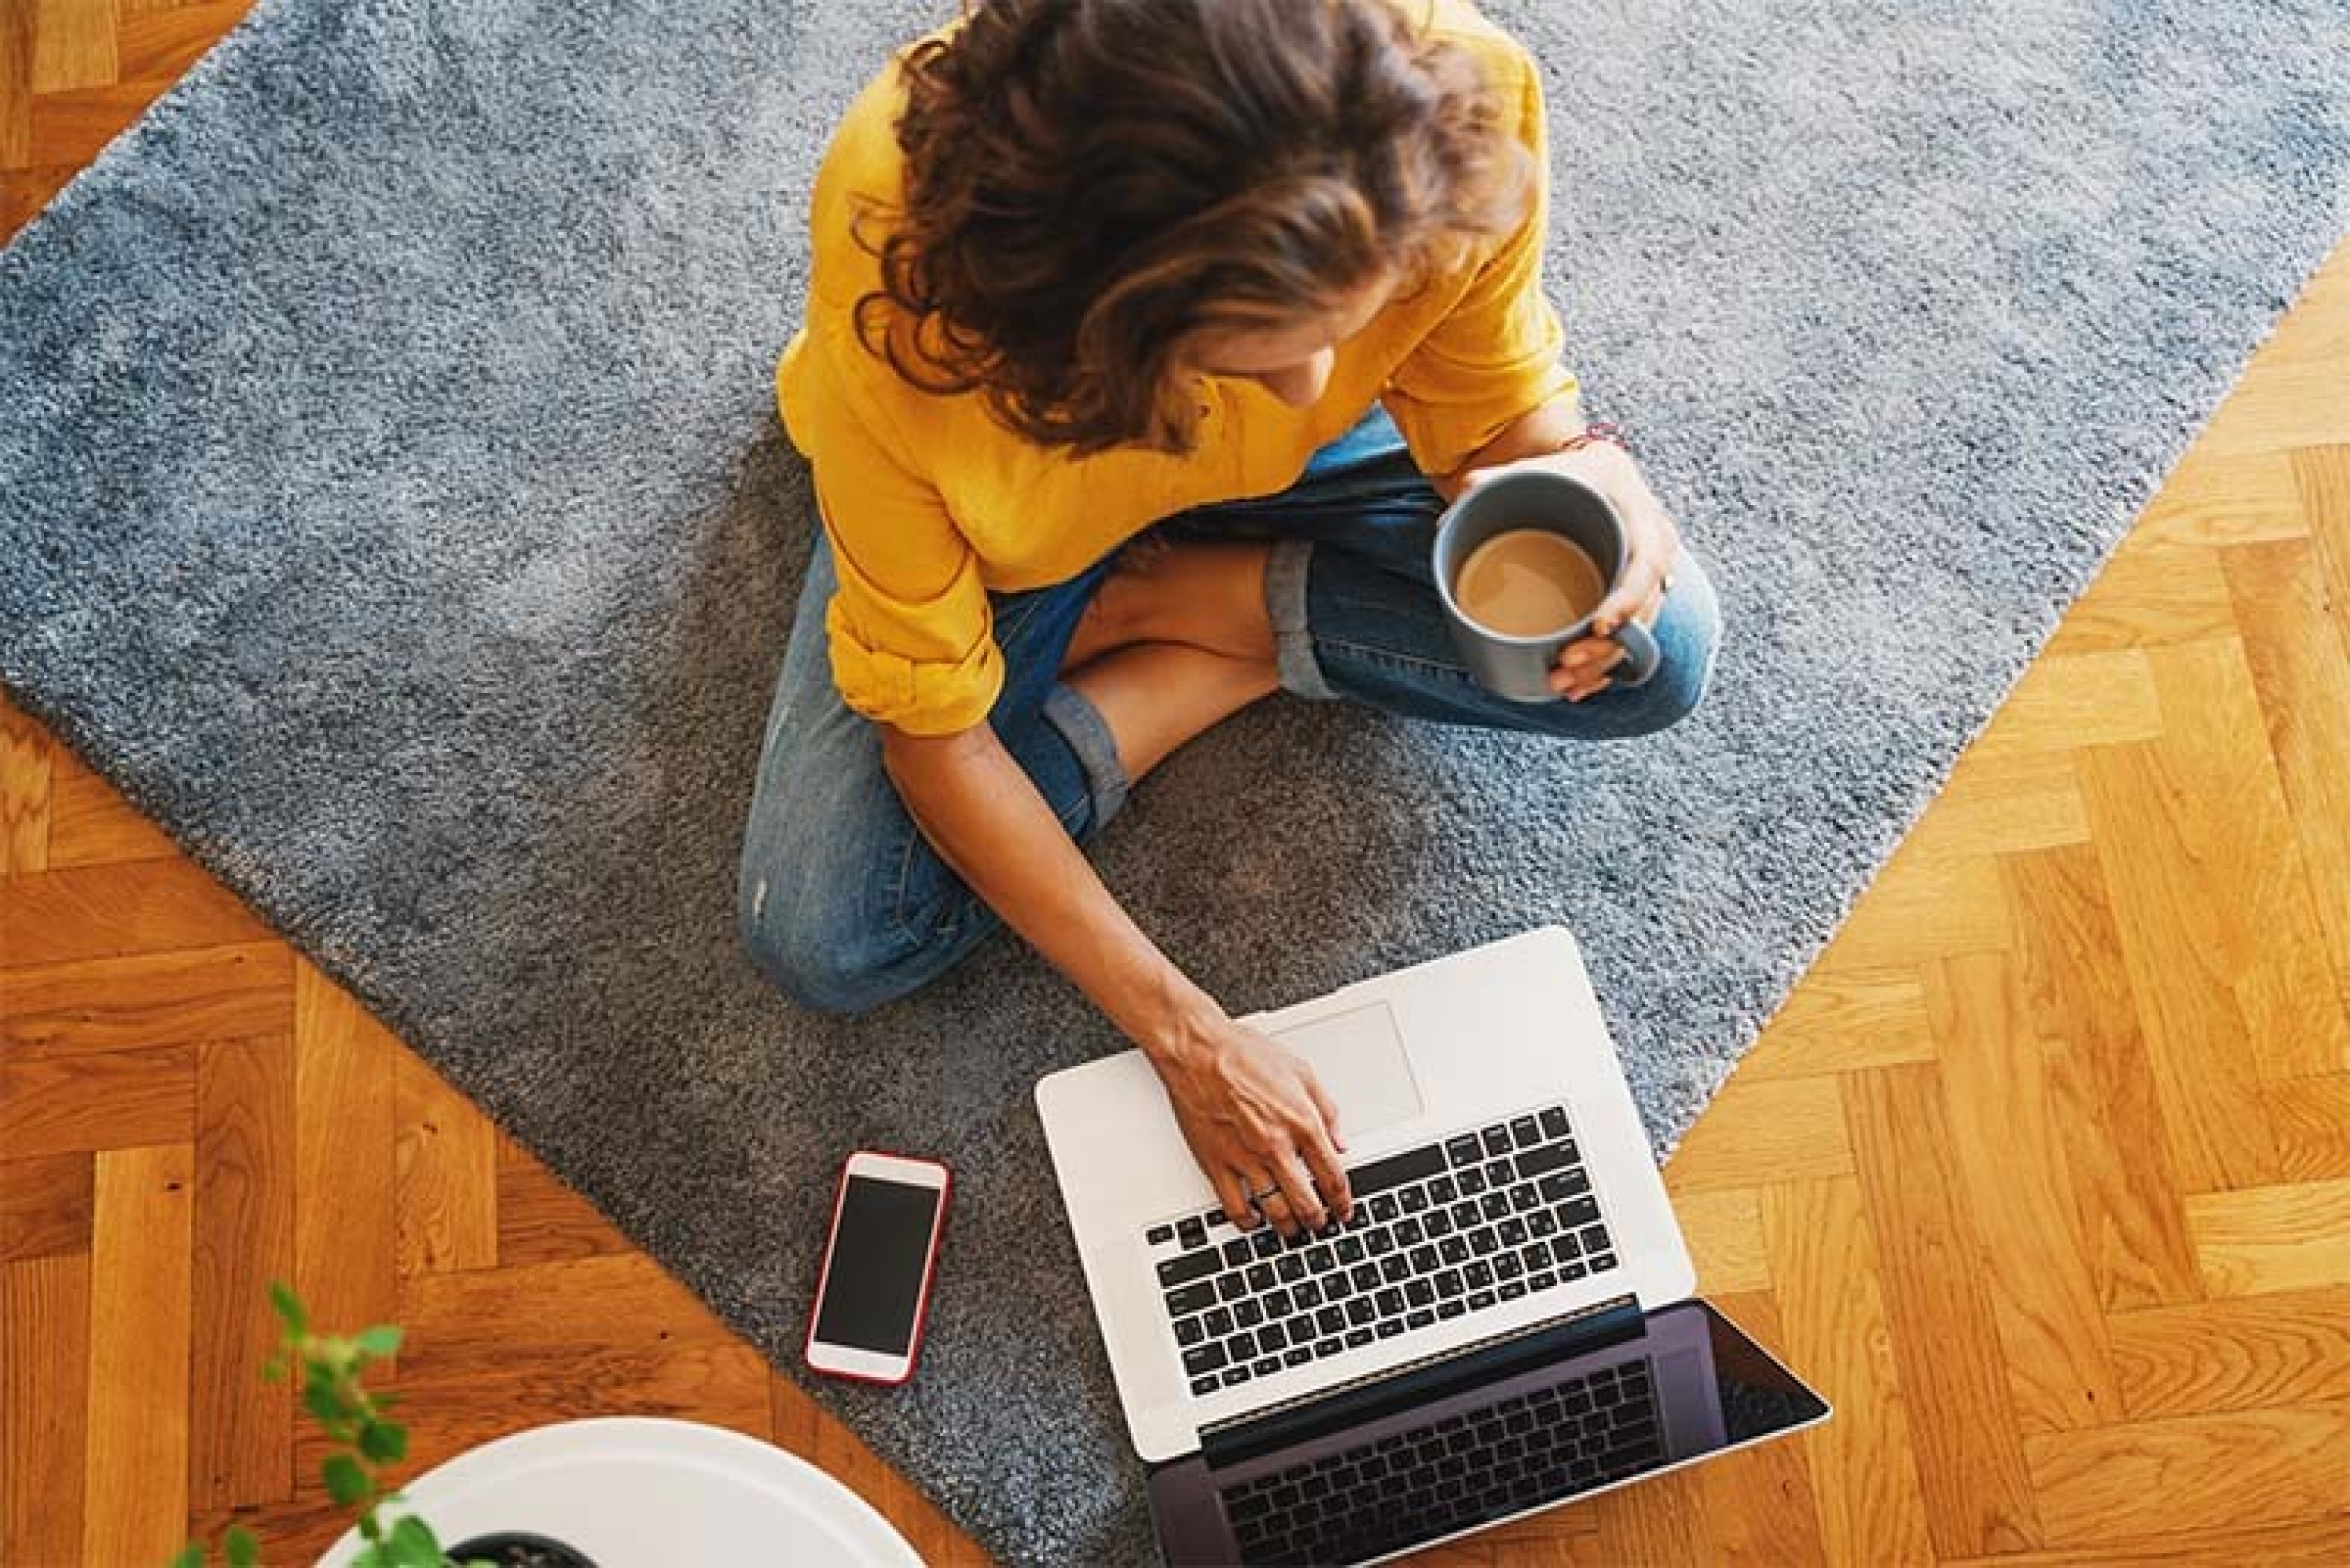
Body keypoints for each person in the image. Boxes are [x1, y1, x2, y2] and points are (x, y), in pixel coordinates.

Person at [740, 0, 1720, 1242]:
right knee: (828, 933)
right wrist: (1189, 1037)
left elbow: (1493, 420)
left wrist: (1586, 468)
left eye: (1345, 318)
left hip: (1209, 462)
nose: (1310, 391)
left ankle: (1216, 611)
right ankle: (1220, 647)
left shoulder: (1443, 93)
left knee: (1648, 648)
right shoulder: (921, 294)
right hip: (1020, 503)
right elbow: (930, 740)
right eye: (1255, 355)